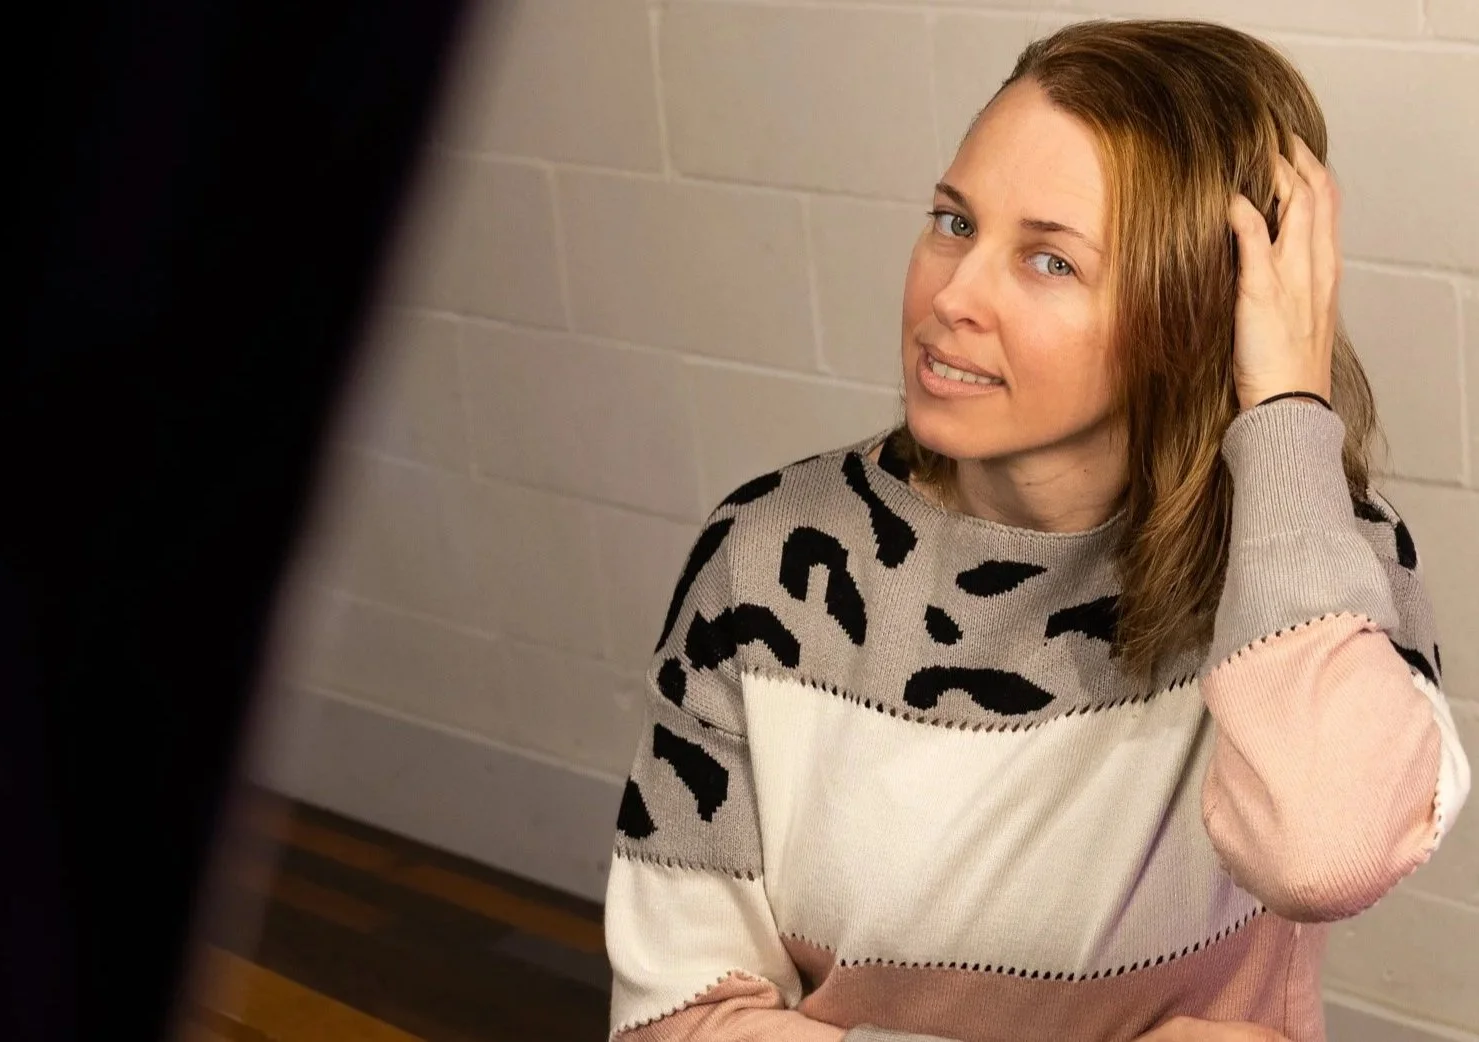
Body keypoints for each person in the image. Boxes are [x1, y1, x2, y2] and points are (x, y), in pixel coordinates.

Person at [600, 17, 1471, 1042]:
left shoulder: (1316, 561)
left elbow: (1324, 856)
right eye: (953, 222)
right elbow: (674, 1018)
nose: (951, 295)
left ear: (1197, 307)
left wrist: (1285, 411)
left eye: (1050, 261)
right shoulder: (767, 560)